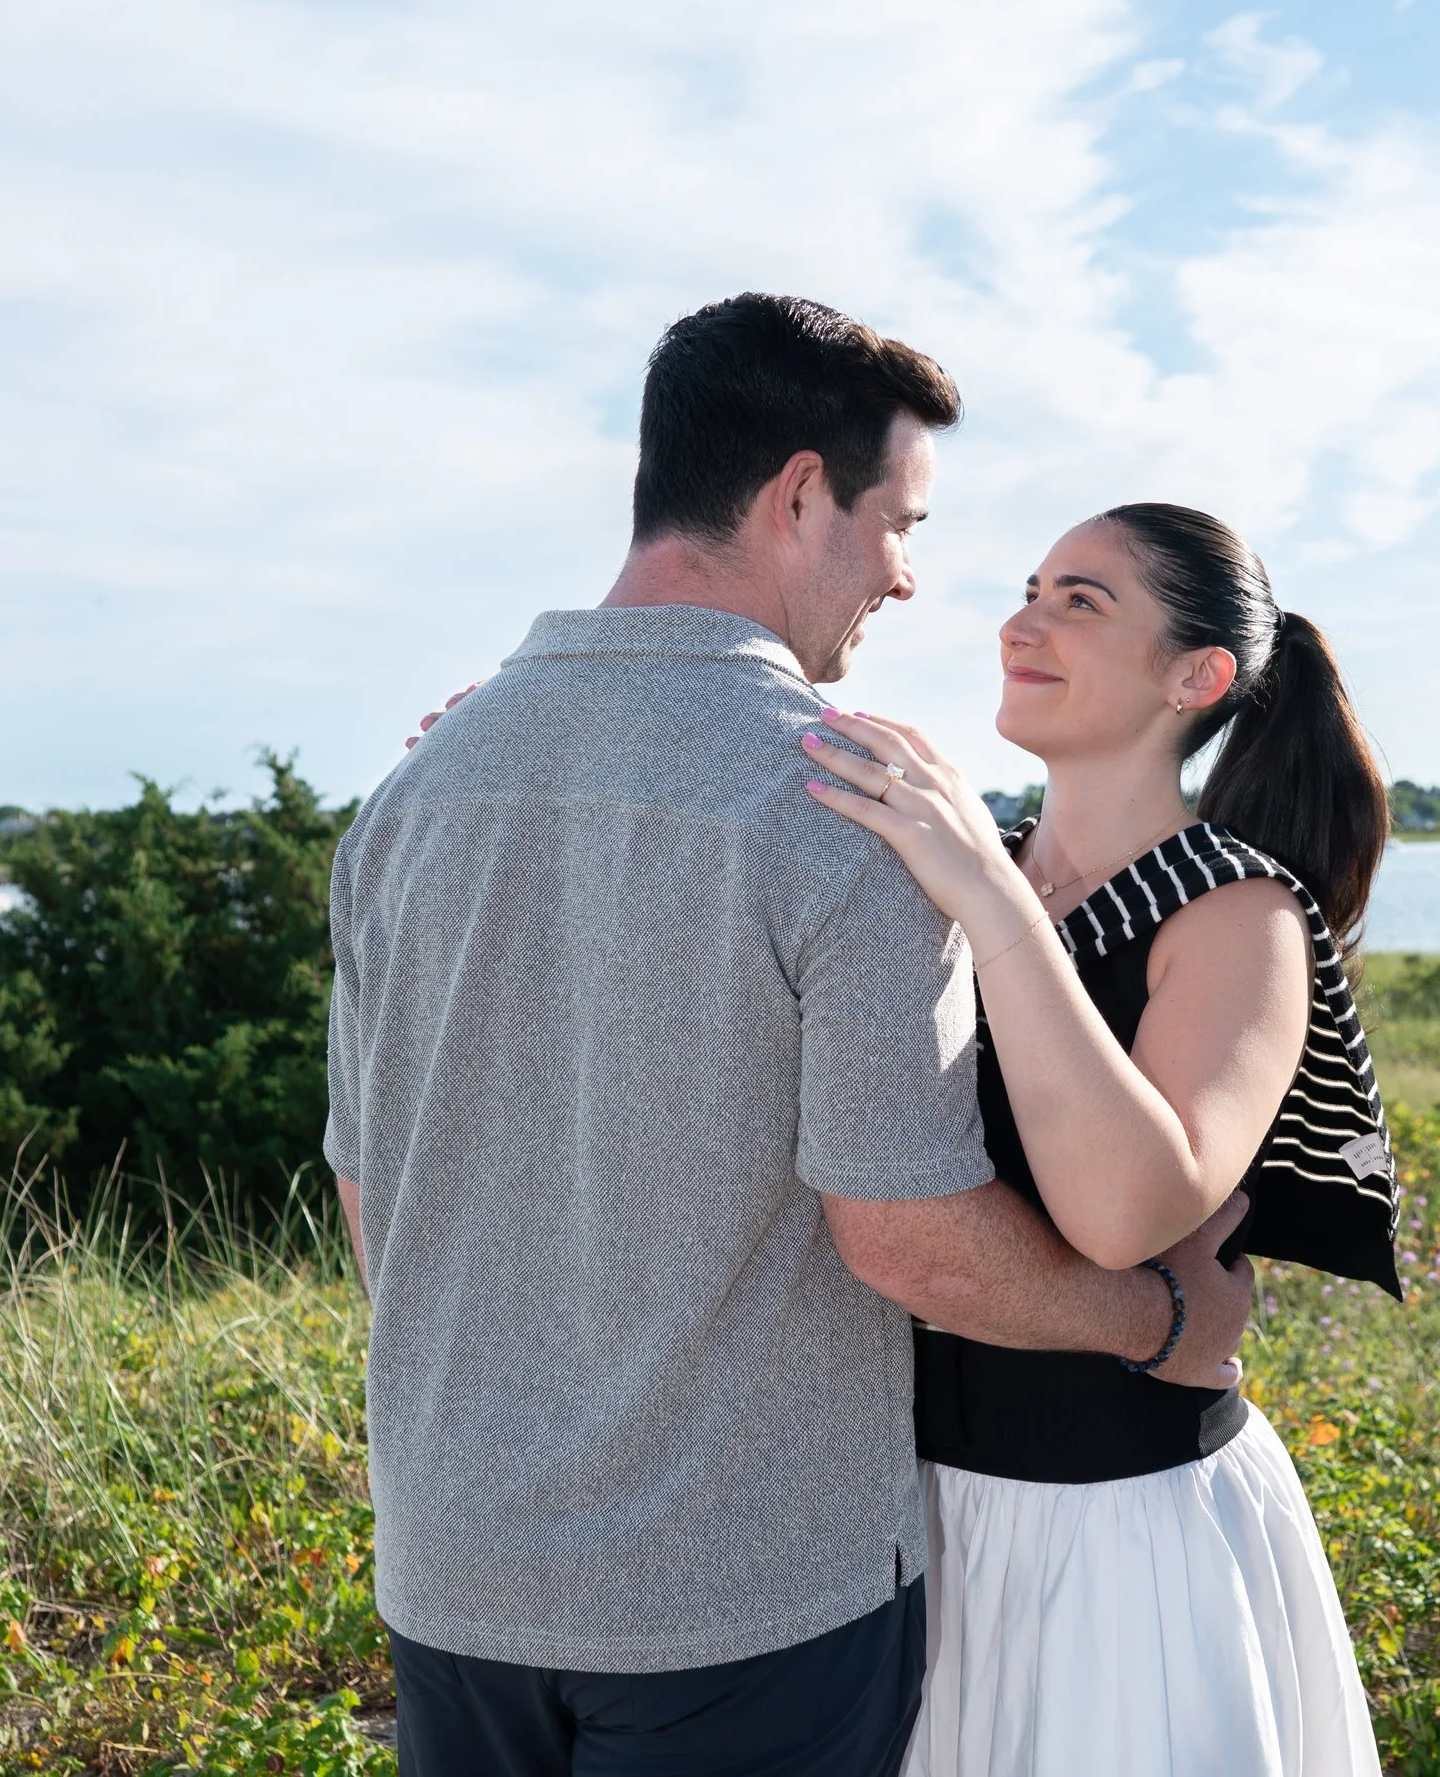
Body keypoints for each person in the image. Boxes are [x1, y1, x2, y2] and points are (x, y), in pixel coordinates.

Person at [325, 295, 1252, 1777]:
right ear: (799, 493)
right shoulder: (845, 809)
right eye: (902, 523)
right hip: (740, 1600)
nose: (904, 575)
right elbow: (905, 1239)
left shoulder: (414, 797)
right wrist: (1153, 1322)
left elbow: (378, 1206)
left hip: (453, 1576)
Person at [798, 500, 1400, 1777]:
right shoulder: (956, 860)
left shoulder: (1238, 910)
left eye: (1085, 600)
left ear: (1199, 677)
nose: (1025, 620)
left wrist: (985, 893)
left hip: (1119, 1531)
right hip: (902, 1527)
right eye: (1031, 587)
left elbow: (1129, 1210)